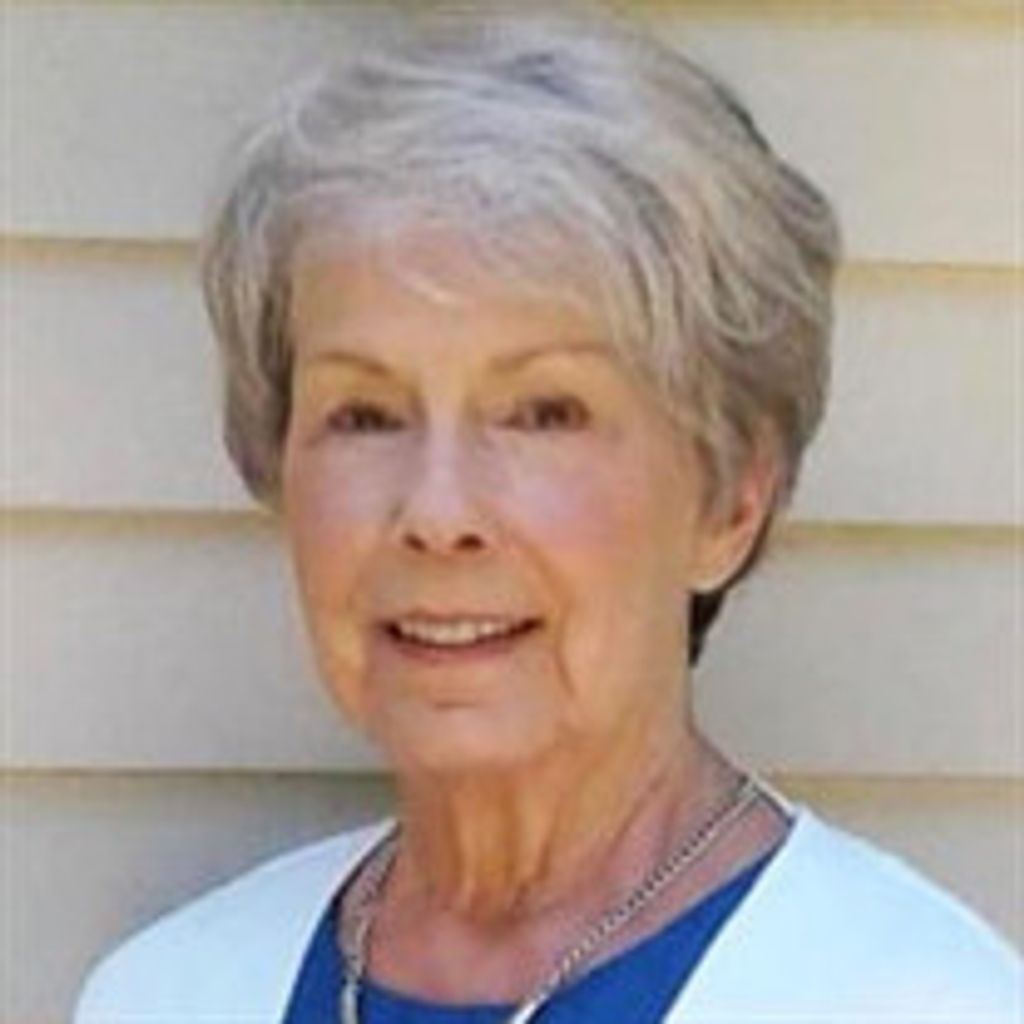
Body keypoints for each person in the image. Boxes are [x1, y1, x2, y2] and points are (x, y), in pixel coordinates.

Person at [75, 8, 1020, 1022]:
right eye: (365, 414)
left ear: (729, 502)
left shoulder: (914, 999)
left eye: (542, 414)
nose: (437, 513)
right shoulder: (166, 993)